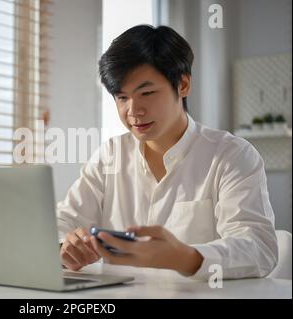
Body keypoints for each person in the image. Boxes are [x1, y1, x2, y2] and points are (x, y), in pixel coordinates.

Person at [57, 24, 278, 280]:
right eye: (122, 98)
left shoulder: (232, 155)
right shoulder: (110, 155)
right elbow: (64, 220)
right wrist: (65, 245)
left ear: (183, 85)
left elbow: (259, 248)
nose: (133, 111)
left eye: (147, 93)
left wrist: (185, 257)